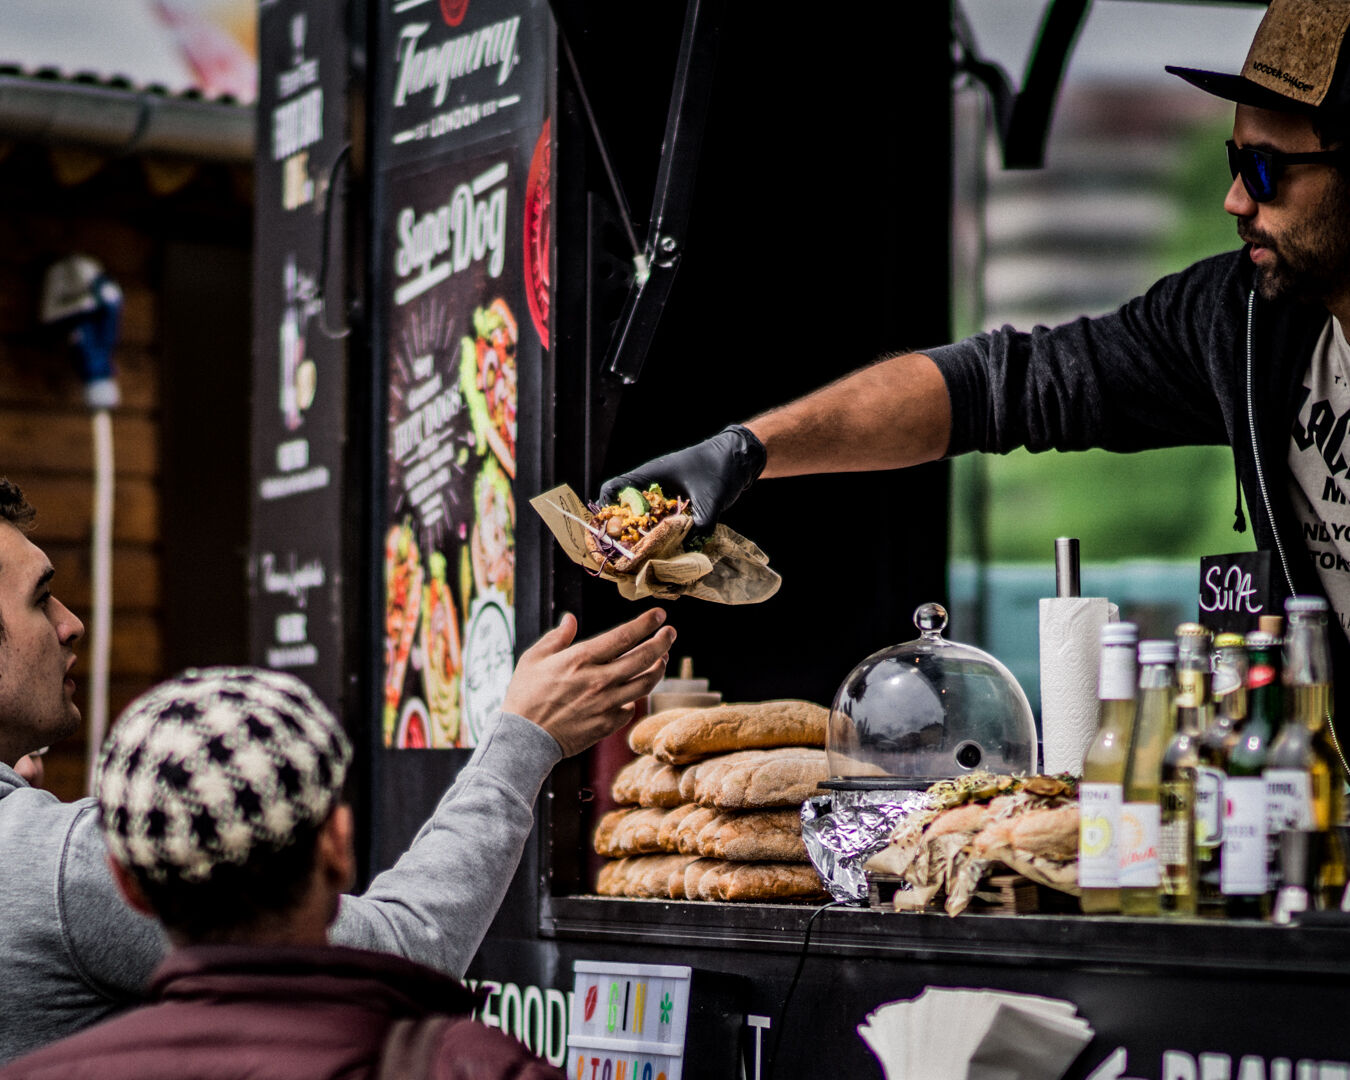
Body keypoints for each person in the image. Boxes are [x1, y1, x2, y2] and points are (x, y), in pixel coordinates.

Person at [602, 0, 1350, 694]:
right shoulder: (1240, 316)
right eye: (1233, 162)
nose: (1235, 200)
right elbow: (1001, 386)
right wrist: (747, 449)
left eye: (1265, 171)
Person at [0, 476, 675, 1063]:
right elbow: (391, 960)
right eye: (41, 598)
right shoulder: (54, 865)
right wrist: (524, 740)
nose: (71, 624)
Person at [0, 666, 566, 1080]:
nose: (70, 624)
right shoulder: (481, 1068)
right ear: (337, 847)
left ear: (128, 885)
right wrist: (521, 744)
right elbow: (399, 947)